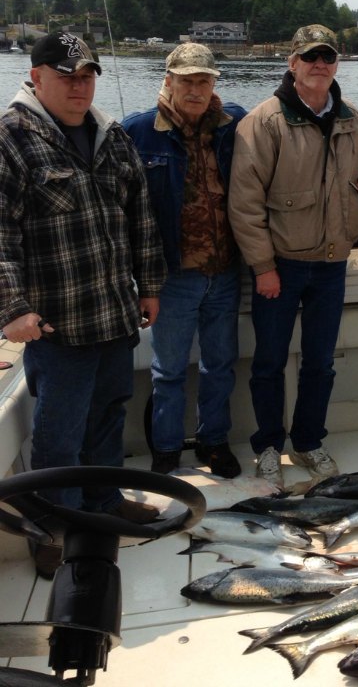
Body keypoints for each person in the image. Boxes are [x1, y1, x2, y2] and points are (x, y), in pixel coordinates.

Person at [0, 32, 167, 578]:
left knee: (108, 415)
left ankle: (103, 504)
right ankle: (57, 526)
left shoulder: (112, 136)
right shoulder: (11, 138)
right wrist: (13, 308)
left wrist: (150, 285)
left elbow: (140, 217)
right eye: (67, 74)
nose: (80, 85)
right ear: (37, 74)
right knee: (58, 433)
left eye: (88, 74)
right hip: (57, 322)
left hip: (115, 311)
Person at [228, 24, 358, 488]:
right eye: (309, 56)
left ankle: (309, 442)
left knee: (321, 362)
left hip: (332, 264)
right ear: (292, 63)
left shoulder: (353, 117)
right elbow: (245, 202)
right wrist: (264, 267)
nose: (319, 64)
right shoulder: (263, 121)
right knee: (269, 361)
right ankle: (269, 446)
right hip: (282, 266)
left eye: (327, 57)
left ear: (336, 64)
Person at [123, 44, 247, 479]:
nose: (195, 90)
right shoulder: (137, 131)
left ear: (214, 83)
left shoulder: (235, 125)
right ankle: (167, 449)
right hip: (172, 277)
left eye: (203, 81)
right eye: (187, 80)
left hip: (226, 271)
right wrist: (143, 280)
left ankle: (214, 441)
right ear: (169, 79)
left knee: (219, 365)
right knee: (168, 371)